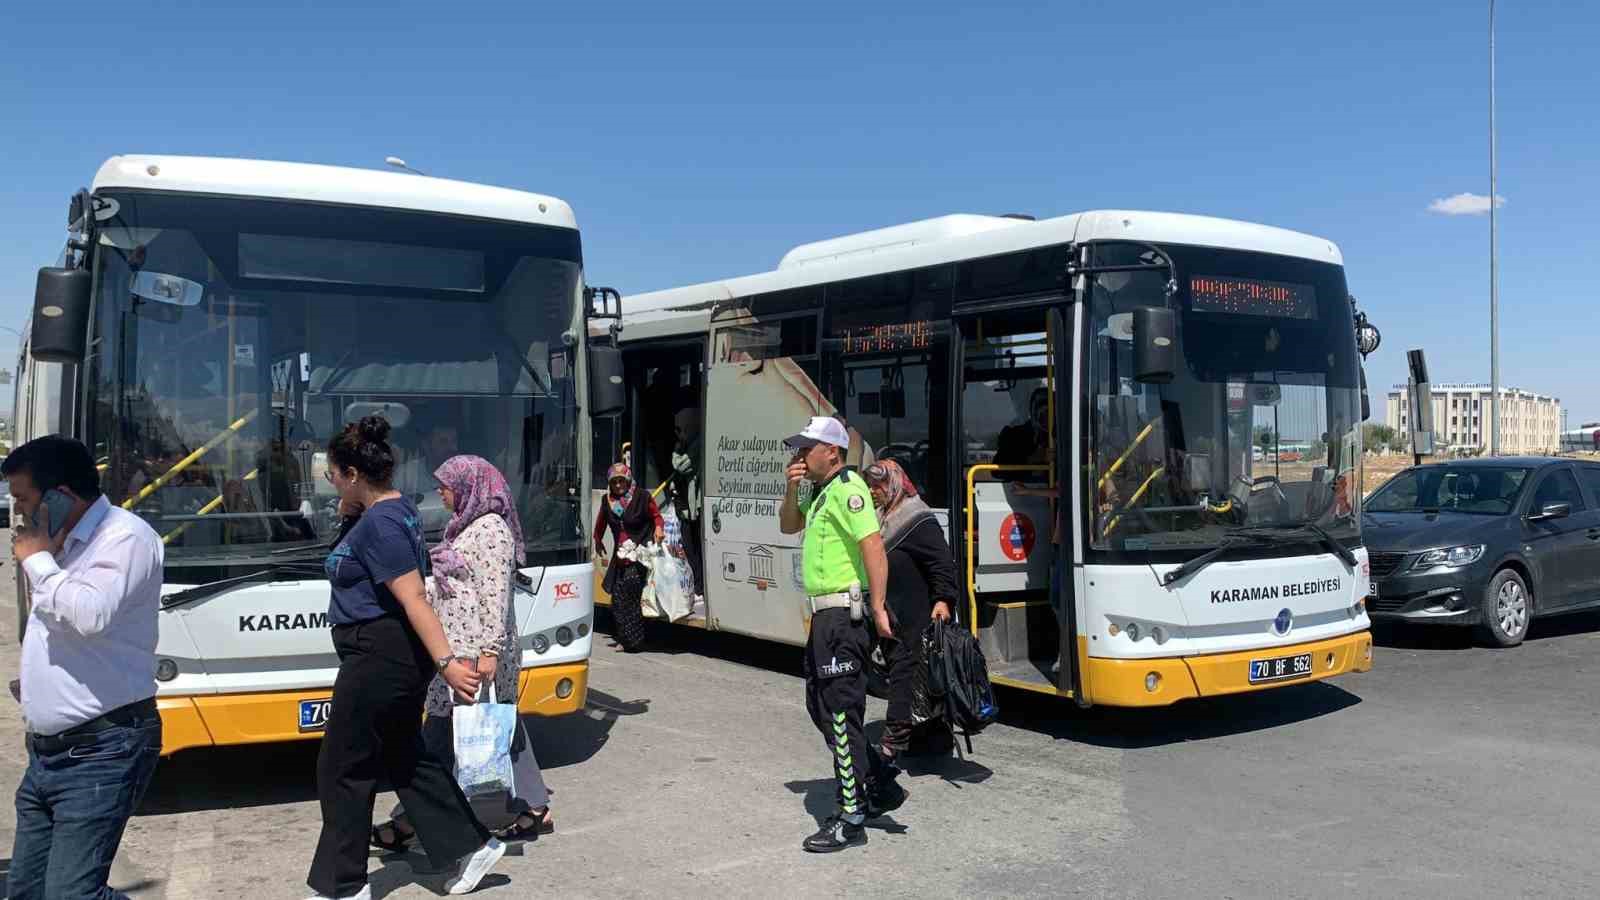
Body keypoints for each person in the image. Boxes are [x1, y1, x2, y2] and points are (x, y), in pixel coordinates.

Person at [307, 416, 504, 900]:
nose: (330, 482)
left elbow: (414, 596)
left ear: (354, 474)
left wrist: (447, 663)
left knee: (343, 768)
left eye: (333, 474)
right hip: (383, 650)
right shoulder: (391, 511)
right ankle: (472, 846)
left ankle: (343, 885)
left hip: (381, 654)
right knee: (404, 759)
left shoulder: (383, 523)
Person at [5, 436, 164, 900]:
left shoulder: (125, 537)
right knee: (27, 892)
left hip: (102, 747)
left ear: (61, 495)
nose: (17, 514)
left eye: (23, 500)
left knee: (73, 894)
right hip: (48, 752)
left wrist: (36, 559)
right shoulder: (62, 543)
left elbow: (91, 615)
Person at [372, 454, 556, 851]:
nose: (440, 491)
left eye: (447, 483)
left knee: (446, 733)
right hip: (457, 649)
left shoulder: (490, 531)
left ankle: (411, 820)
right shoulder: (466, 527)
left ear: (470, 485)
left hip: (475, 652)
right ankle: (534, 807)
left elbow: (494, 595)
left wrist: (489, 652)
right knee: (494, 727)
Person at [778, 415, 906, 853]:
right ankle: (879, 782)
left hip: (842, 618)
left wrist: (877, 605)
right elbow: (787, 525)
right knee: (820, 705)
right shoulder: (820, 492)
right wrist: (792, 488)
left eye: (805, 448)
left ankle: (851, 818)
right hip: (823, 619)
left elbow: (873, 546)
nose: (798, 455)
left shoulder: (849, 490)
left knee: (840, 713)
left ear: (831, 452)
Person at [862, 460, 958, 760]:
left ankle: (894, 740)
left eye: (877, 484)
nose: (872, 491)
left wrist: (943, 600)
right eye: (869, 485)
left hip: (917, 613)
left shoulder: (917, 519)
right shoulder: (881, 517)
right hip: (892, 610)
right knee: (914, 677)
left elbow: (941, 563)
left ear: (893, 483)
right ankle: (934, 738)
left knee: (906, 674)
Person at [592, 463, 665, 652]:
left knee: (629, 590)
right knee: (617, 598)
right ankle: (624, 636)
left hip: (641, 553)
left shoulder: (642, 496)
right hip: (620, 556)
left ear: (628, 480)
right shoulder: (607, 501)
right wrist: (598, 540)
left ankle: (633, 641)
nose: (618, 485)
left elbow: (656, 516)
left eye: (621, 481)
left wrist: (658, 528)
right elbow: (601, 523)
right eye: (614, 482)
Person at [670, 407, 705, 600]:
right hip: (685, 507)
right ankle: (697, 586)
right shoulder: (683, 446)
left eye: (680, 428)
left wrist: (677, 448)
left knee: (697, 548)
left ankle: (700, 587)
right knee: (689, 548)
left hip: (696, 508)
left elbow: (682, 465)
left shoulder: (697, 445)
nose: (678, 433)